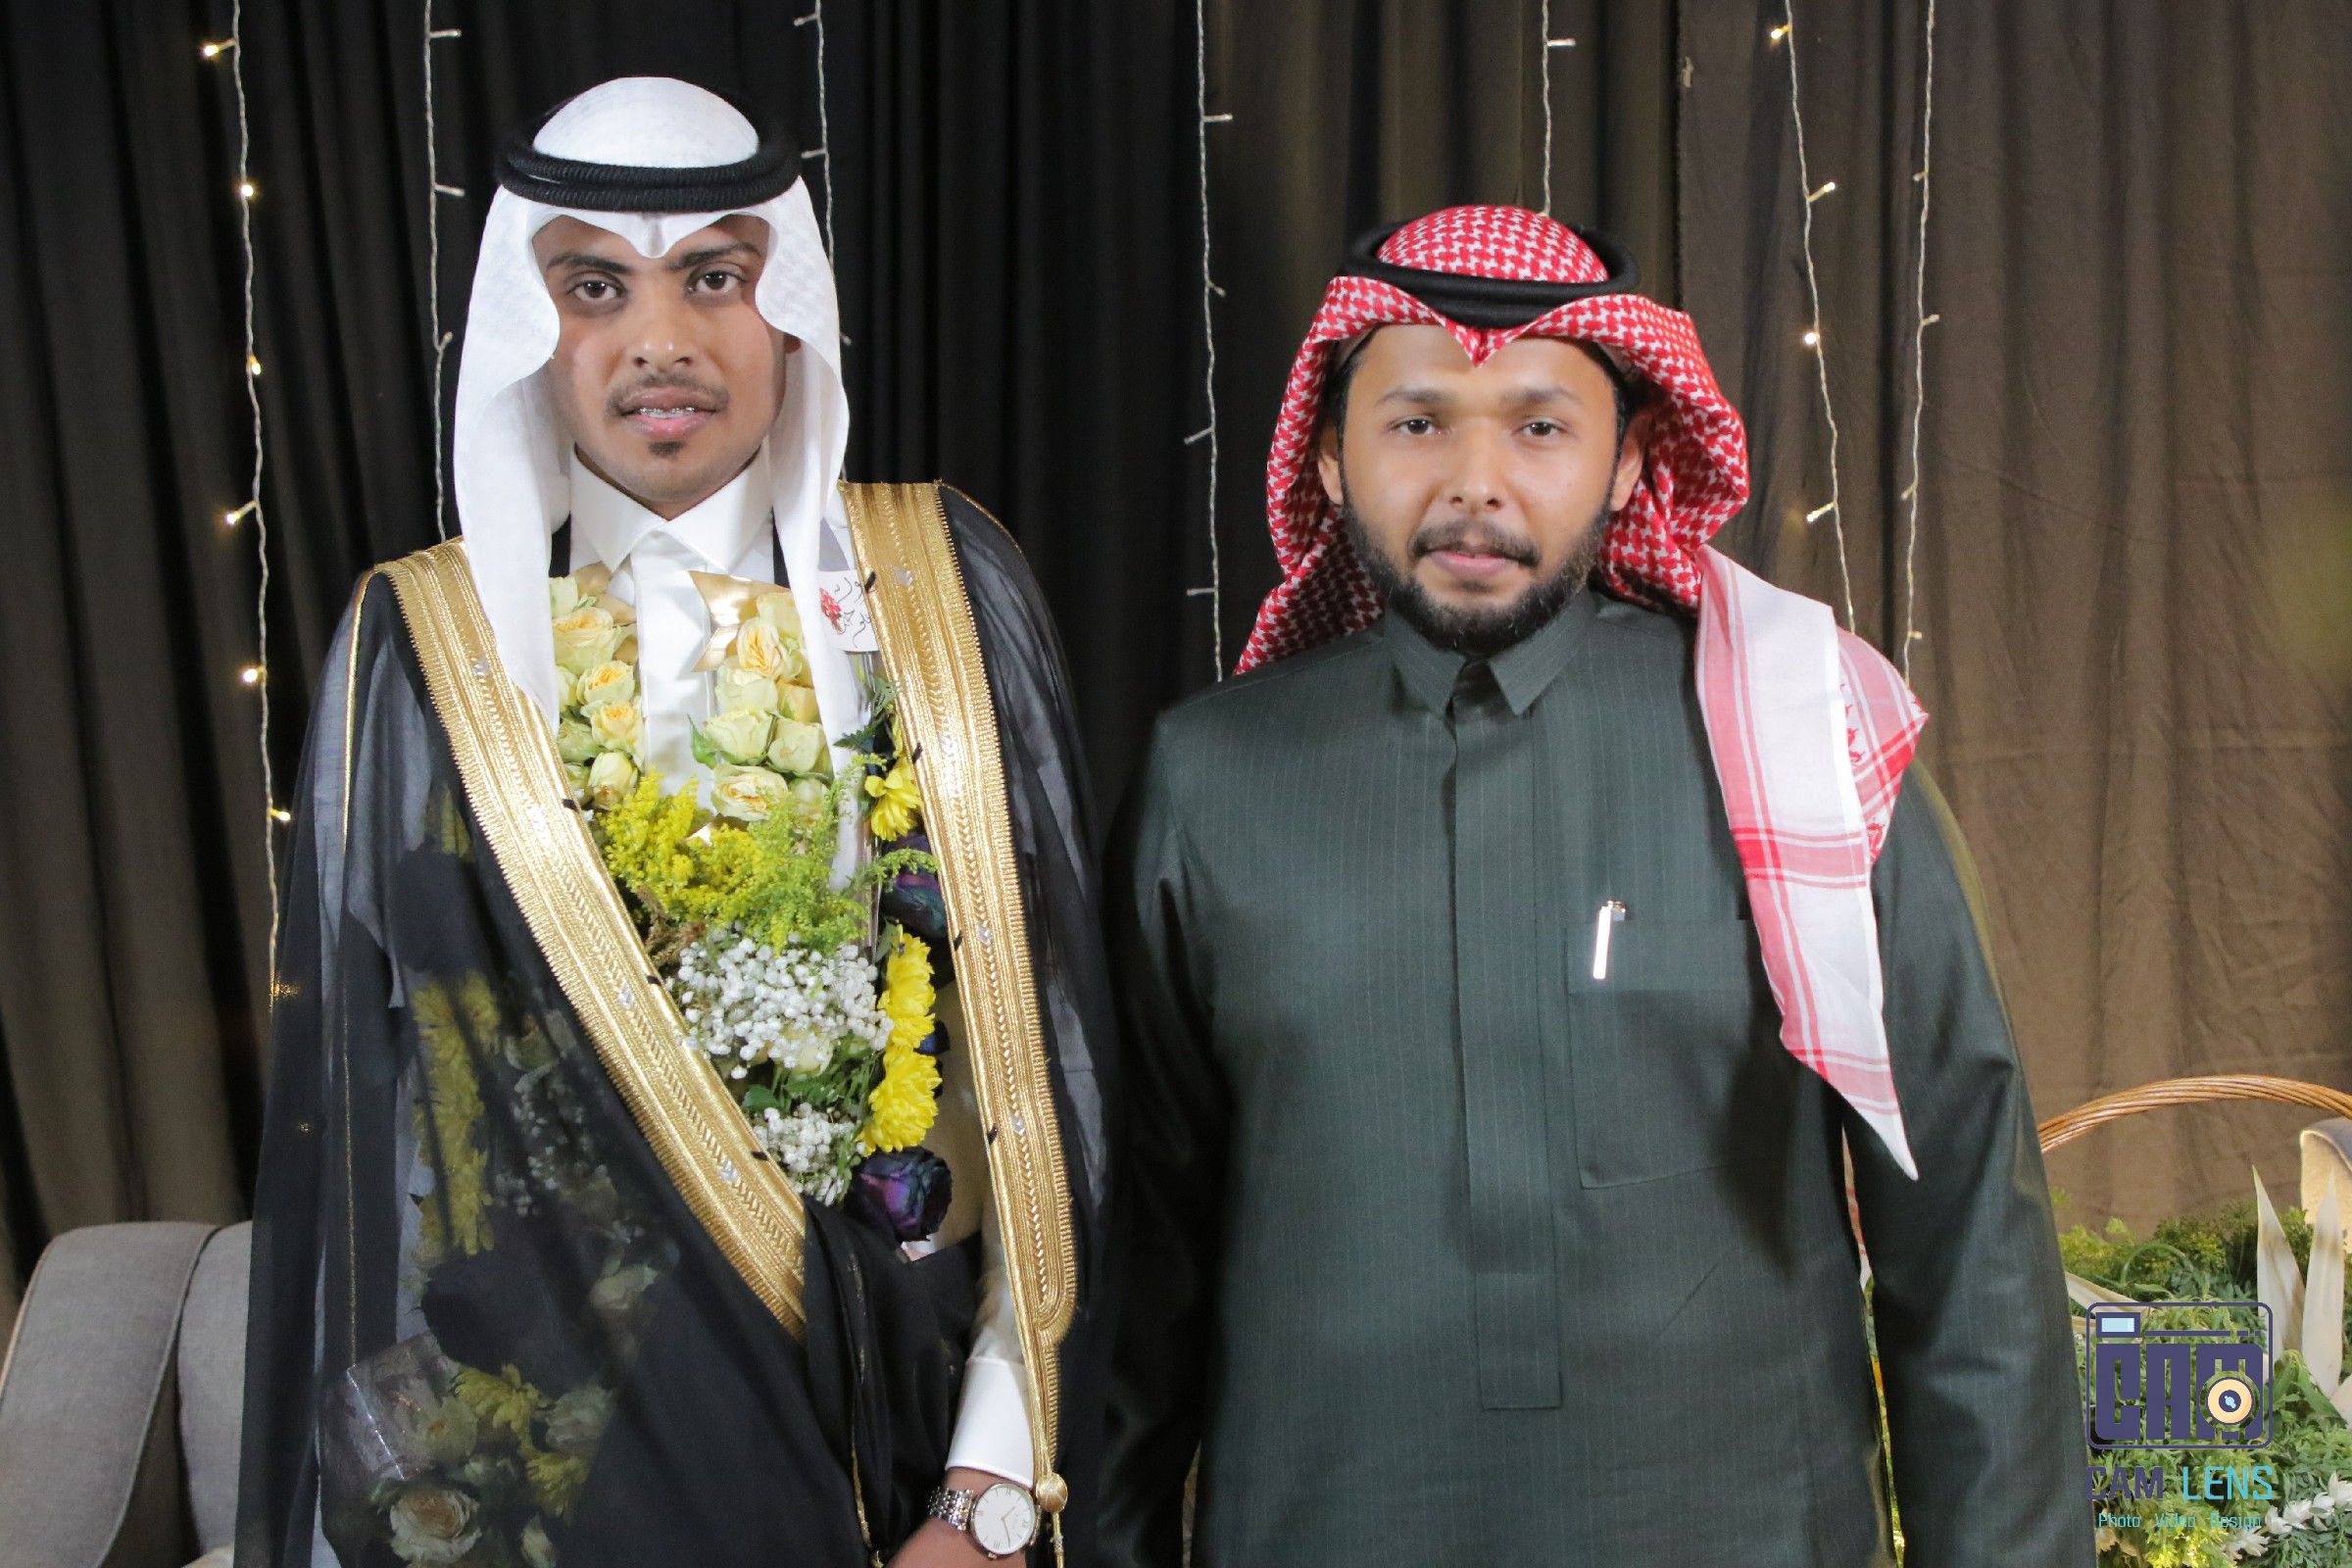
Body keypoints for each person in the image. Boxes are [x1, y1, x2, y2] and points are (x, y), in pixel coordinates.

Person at [1098, 205, 2090, 1566]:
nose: (1477, 481)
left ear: (1630, 463)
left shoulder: (1801, 740)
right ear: (1328, 456)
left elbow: (1967, 1233)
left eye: (1541, 425)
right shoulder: (1212, 777)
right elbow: (1137, 1271)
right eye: (1417, 421)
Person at [236, 77, 1111, 1568]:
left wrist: (987, 1491)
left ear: (791, 313)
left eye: (715, 277)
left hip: (893, 1442)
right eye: (595, 287)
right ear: (529, 327)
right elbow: (389, 1141)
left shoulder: (935, 589)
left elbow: (1045, 1084)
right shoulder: (428, 647)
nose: (660, 340)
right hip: (563, 1466)